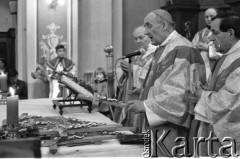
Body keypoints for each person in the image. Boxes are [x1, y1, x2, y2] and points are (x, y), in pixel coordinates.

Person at [127, 9, 205, 157]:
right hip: (158, 122)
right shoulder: (162, 48)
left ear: (163, 25)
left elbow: (180, 94)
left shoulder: (183, 49)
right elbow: (162, 83)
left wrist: (145, 105)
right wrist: (143, 92)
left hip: (172, 127)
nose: (146, 30)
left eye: (149, 25)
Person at [194, 12, 240, 156]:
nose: (210, 38)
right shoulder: (225, 56)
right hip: (212, 133)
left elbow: (232, 102)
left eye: (214, 32)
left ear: (230, 33)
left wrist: (203, 96)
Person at [115, 25, 158, 129]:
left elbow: (152, 74)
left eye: (141, 37)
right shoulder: (137, 54)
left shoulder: (156, 53)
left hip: (144, 98)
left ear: (149, 36)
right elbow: (124, 78)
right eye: (135, 38)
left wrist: (132, 69)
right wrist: (125, 71)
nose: (138, 41)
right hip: (131, 95)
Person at [192, 8, 220, 81]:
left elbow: (224, 55)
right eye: (206, 17)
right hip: (199, 69)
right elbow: (192, 50)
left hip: (214, 69)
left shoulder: (221, 33)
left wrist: (208, 48)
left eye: (211, 16)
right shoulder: (199, 33)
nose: (209, 19)